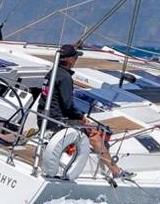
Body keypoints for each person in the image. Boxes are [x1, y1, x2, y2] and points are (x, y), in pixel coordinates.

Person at [37, 44, 133, 180]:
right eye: (75, 57)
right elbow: (68, 106)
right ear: (70, 60)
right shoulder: (65, 77)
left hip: (43, 119)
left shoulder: (53, 73)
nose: (76, 59)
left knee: (87, 126)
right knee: (94, 134)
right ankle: (116, 171)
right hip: (56, 122)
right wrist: (81, 116)